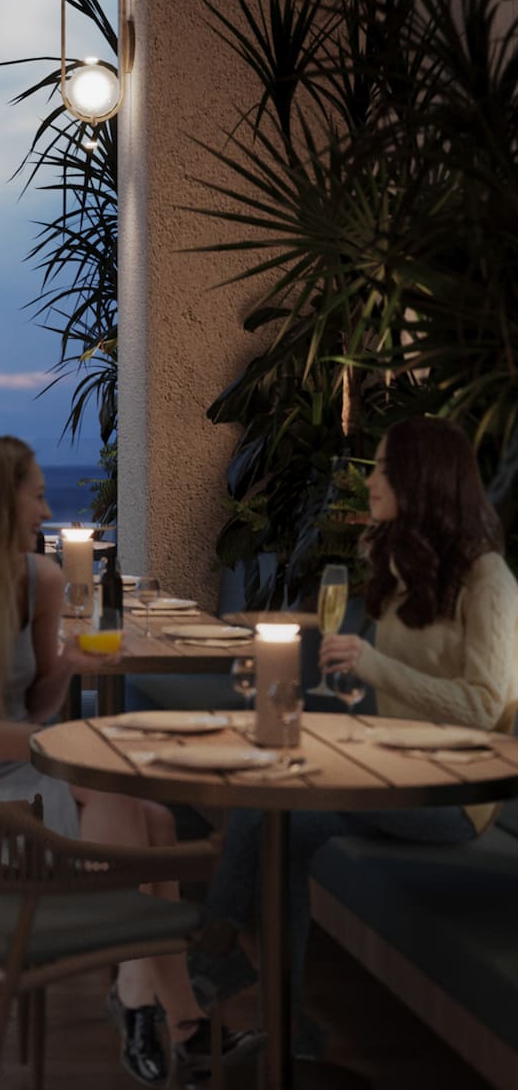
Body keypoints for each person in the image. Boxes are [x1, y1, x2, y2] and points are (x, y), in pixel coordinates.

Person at [0, 434, 247, 1088]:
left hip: (21, 762)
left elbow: (34, 713)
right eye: (35, 495)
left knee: (156, 820)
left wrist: (69, 665)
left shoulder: (42, 578)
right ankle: (145, 997)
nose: (46, 509)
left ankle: (171, 1019)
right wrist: (90, 751)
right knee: (128, 806)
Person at [189, 417, 518, 1050]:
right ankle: (285, 1025)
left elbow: (479, 708)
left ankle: (213, 951)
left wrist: (371, 666)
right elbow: (392, 690)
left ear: (424, 480)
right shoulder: (409, 572)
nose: (372, 481)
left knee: (272, 812)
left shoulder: (490, 582)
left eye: (386, 470)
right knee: (274, 816)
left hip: (451, 795)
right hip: (388, 766)